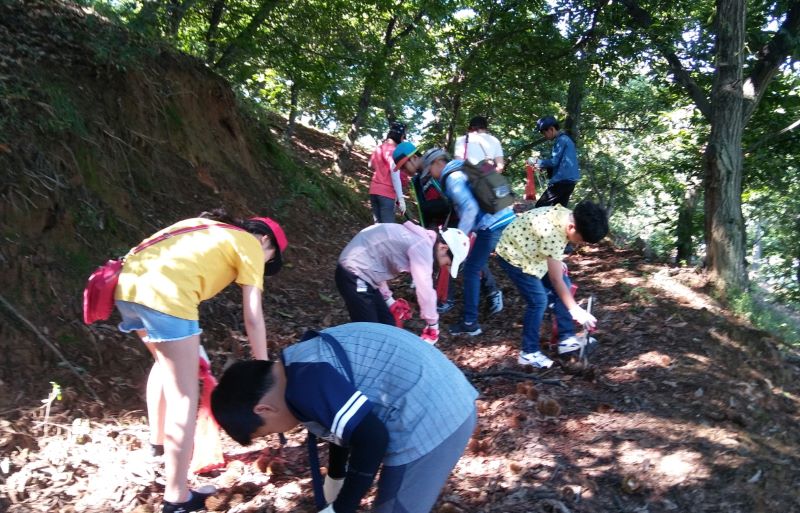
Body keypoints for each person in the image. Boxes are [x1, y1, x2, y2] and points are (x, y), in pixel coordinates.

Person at [113, 210, 288, 513]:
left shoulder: (205, 226)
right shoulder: (249, 244)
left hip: (126, 287)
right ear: (265, 239)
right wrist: (264, 372)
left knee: (165, 367)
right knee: (185, 394)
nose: (264, 266)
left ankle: (158, 446)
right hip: (165, 297)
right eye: (269, 259)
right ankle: (177, 498)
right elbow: (253, 316)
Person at [210, 322, 479, 513]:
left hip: (435, 416)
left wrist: (341, 507)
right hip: (439, 394)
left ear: (263, 410)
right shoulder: (295, 364)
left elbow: (372, 439)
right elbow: (343, 424)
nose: (277, 434)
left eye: (267, 432)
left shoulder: (305, 386)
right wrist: (336, 479)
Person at [494, 202, 608, 368]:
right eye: (581, 240)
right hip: (514, 257)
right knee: (538, 301)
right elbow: (555, 280)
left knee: (565, 284)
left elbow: (551, 254)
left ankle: (566, 338)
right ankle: (529, 353)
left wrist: (556, 261)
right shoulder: (554, 234)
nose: (579, 244)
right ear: (572, 227)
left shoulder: (568, 216)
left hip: (531, 251)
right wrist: (575, 310)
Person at [418, 147, 516, 336]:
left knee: (471, 269)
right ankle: (547, 295)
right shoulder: (462, 169)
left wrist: (459, 239)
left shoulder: (453, 178)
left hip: (492, 224)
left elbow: (469, 208)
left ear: (438, 162)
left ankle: (470, 322)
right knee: (512, 262)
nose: (431, 175)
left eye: (430, 170)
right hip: (505, 217)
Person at [405, 148, 504, 316]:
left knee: (470, 259)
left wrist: (459, 235)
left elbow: (464, 205)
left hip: (464, 223)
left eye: (403, 166)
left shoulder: (451, 176)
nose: (432, 175)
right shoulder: (427, 178)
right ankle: (446, 298)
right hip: (455, 223)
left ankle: (490, 294)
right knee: (454, 258)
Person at [335, 221, 469, 344]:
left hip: (364, 274)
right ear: (444, 248)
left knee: (389, 325)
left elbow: (378, 261)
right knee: (370, 337)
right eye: (447, 263)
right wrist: (433, 325)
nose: (443, 266)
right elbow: (425, 289)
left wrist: (388, 299)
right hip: (353, 273)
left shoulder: (421, 239)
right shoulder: (422, 246)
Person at [533, 115, 580, 208]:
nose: (544, 136)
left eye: (544, 132)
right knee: (558, 211)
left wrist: (537, 162)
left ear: (551, 129)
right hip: (570, 182)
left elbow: (554, 161)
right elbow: (560, 163)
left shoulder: (561, 140)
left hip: (561, 182)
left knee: (540, 207)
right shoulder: (566, 139)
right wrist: (544, 166)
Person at [368, 122, 408, 223]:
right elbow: (394, 173)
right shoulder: (394, 151)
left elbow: (370, 164)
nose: (403, 140)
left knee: (378, 226)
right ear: (399, 136)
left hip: (374, 191)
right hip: (386, 194)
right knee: (388, 228)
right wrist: (400, 198)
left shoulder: (380, 148)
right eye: (404, 137)